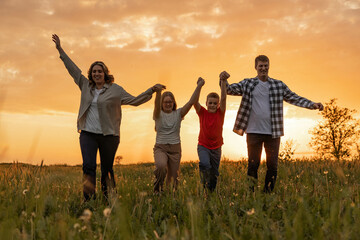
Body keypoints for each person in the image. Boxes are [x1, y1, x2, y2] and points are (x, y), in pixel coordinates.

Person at [52, 34, 165, 201]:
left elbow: (134, 101)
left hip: (109, 136)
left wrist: (151, 91)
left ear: (105, 73)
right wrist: (60, 49)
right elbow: (73, 69)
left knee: (107, 169)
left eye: (100, 71)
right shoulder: (85, 85)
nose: (97, 74)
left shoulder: (115, 90)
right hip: (88, 133)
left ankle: (108, 200)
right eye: (94, 71)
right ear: (91, 74)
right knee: (88, 166)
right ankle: (89, 200)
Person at [220, 55, 323, 193]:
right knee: (253, 165)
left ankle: (267, 194)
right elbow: (228, 89)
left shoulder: (278, 85)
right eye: (260, 66)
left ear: (269, 66)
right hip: (253, 132)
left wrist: (312, 104)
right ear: (255, 67)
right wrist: (223, 79)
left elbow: (294, 98)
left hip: (273, 132)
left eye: (265, 65)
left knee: (273, 166)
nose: (263, 68)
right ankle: (251, 194)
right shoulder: (248, 84)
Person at [152, 77, 204, 193]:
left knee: (173, 179)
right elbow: (156, 105)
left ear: (173, 102)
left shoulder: (178, 114)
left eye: (170, 101)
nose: (168, 104)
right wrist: (159, 92)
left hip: (175, 149)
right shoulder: (158, 114)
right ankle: (157, 191)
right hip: (161, 147)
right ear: (162, 103)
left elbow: (191, 102)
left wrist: (199, 86)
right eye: (165, 102)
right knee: (160, 166)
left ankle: (171, 199)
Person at [193, 75, 228, 192]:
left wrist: (223, 82)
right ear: (206, 103)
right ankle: (204, 186)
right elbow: (194, 101)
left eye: (215, 103)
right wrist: (199, 86)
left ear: (218, 105)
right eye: (210, 103)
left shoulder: (220, 113)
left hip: (217, 148)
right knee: (204, 164)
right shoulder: (202, 112)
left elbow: (223, 98)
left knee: (214, 173)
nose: (212, 105)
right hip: (203, 146)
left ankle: (210, 192)